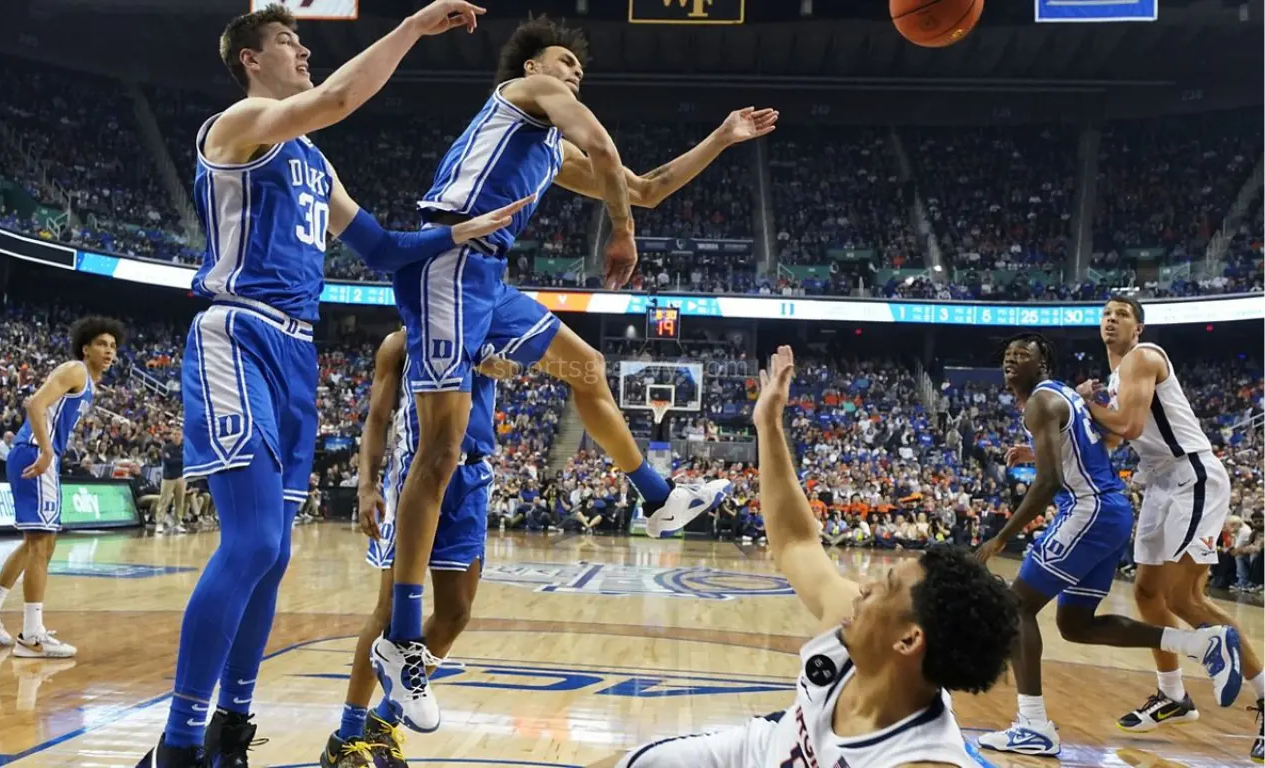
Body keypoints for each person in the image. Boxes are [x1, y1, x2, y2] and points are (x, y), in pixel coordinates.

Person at [137, 3, 528, 766]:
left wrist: (456, 235)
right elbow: (342, 98)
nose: (303, 47)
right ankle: (177, 743)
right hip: (239, 332)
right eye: (287, 40)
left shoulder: (312, 160)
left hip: (296, 356)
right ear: (250, 59)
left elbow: (380, 248)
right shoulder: (241, 122)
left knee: (275, 553)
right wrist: (414, 27)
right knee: (250, 542)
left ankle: (229, 731)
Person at [375, 16, 778, 730]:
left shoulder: (549, 148)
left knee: (586, 368)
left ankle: (656, 498)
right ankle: (402, 640)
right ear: (534, 64)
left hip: (488, 276)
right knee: (440, 450)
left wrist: (721, 139)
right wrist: (621, 232)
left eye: (579, 72)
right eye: (567, 64)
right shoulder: (525, 90)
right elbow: (603, 140)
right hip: (448, 261)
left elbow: (646, 187)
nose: (574, 75)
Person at [586, 346, 1019, 768]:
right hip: (762, 748)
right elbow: (796, 543)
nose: (864, 587)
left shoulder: (917, 759)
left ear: (908, 640)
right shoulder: (858, 636)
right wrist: (769, 424)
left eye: (884, 588)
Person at [976, 333, 1244, 757]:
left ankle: (1033, 725)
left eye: (1022, 354)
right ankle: (1199, 644)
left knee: (1016, 607)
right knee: (1076, 624)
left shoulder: (1041, 402)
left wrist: (1001, 536)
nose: (1012, 360)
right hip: (1110, 512)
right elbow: (1091, 444)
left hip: (1089, 509)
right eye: (1007, 354)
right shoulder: (1061, 395)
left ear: (1042, 362)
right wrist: (1035, 450)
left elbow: (1048, 483)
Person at [1080, 295, 1263, 759]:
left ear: (1138, 327)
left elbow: (1131, 425)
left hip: (1193, 477)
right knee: (1146, 593)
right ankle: (1174, 695)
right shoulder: (1115, 379)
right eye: (1105, 315)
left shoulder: (1145, 356)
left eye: (1121, 315)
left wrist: (1086, 402)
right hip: (1161, 484)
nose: (1111, 320)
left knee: (1185, 597)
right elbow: (1110, 437)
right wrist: (1045, 447)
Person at [319, 330, 506, 768]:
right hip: (416, 472)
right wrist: (366, 486)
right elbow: (377, 418)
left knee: (456, 613)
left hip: (471, 476)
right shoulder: (399, 344)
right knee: (388, 613)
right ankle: (346, 736)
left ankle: (383, 725)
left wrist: (502, 362)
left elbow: (515, 364)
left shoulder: (490, 330)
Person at [0, 317, 124, 659]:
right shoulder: (75, 370)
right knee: (40, 546)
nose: (109, 351)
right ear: (86, 348)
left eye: (112, 346)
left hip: (35, 451)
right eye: (102, 344)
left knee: (37, 544)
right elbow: (34, 404)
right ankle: (31, 636)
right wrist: (48, 450)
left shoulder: (89, 383)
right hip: (36, 452)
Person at [155, 429, 186, 534]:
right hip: (168, 478)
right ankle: (159, 522)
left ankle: (178, 523)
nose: (177, 436)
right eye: (175, 434)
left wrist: (176, 460)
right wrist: (181, 460)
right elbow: (168, 461)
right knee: (164, 500)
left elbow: (188, 460)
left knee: (180, 501)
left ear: (181, 436)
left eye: (179, 434)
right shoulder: (166, 447)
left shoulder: (185, 447)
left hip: (181, 477)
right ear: (171, 436)